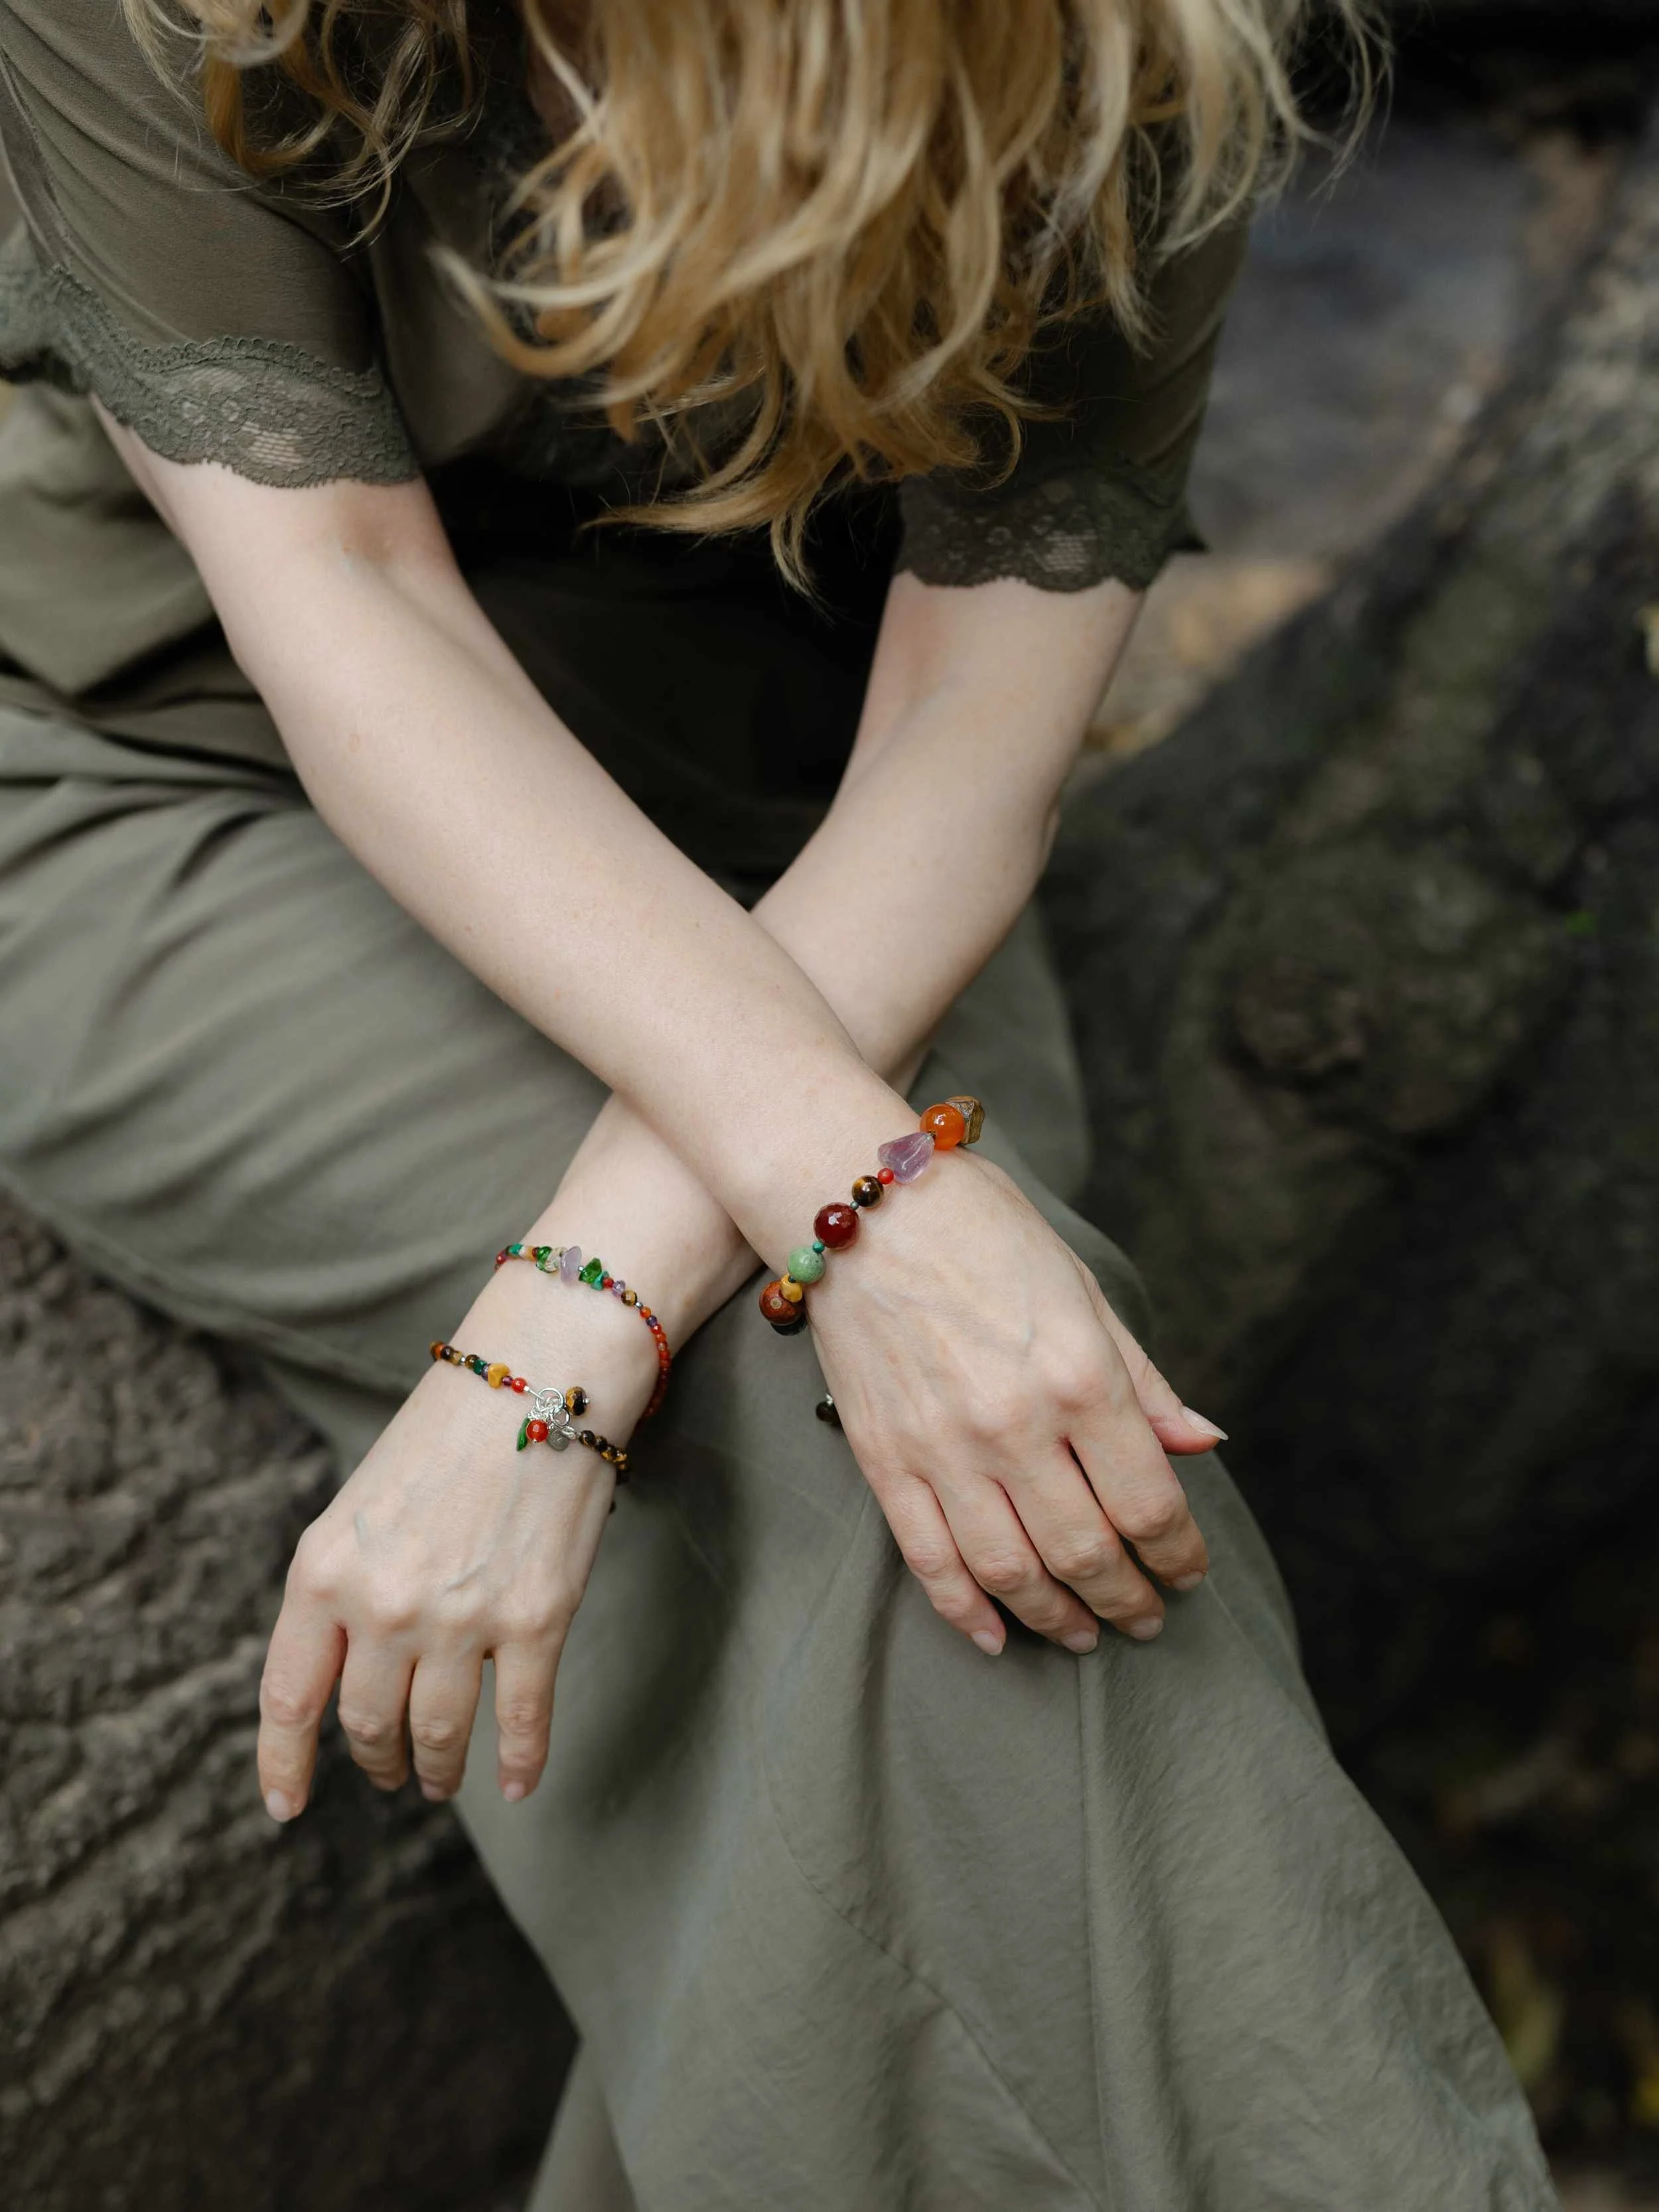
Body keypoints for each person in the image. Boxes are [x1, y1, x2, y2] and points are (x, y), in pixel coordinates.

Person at [0, 1, 1559, 2205]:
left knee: (1002, 1488)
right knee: (920, 1490)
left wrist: (578, 1312)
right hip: (181, 766)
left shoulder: (1131, 52)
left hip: (810, 837)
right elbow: (340, 600)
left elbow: (969, 734)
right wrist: (836, 1213)